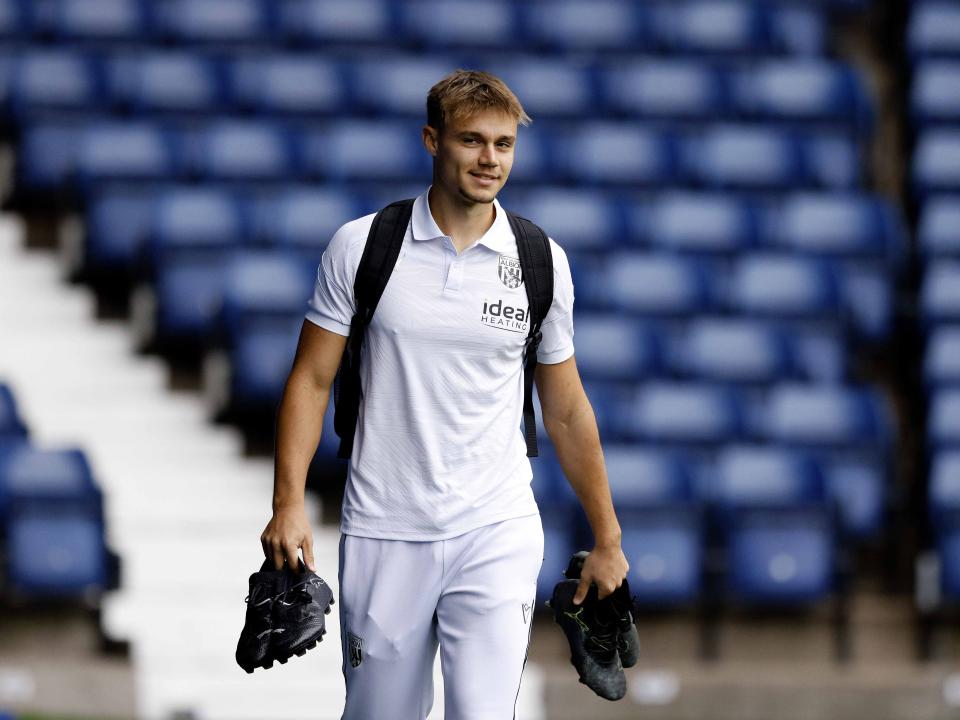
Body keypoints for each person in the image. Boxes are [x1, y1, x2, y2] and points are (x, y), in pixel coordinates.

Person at [260, 69, 628, 719]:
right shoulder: (363, 245)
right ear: (433, 140)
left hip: (496, 524)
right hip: (384, 524)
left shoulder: (541, 260)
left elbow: (566, 409)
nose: (491, 159)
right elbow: (311, 380)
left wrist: (608, 537)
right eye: (473, 141)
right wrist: (287, 505)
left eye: (505, 144)